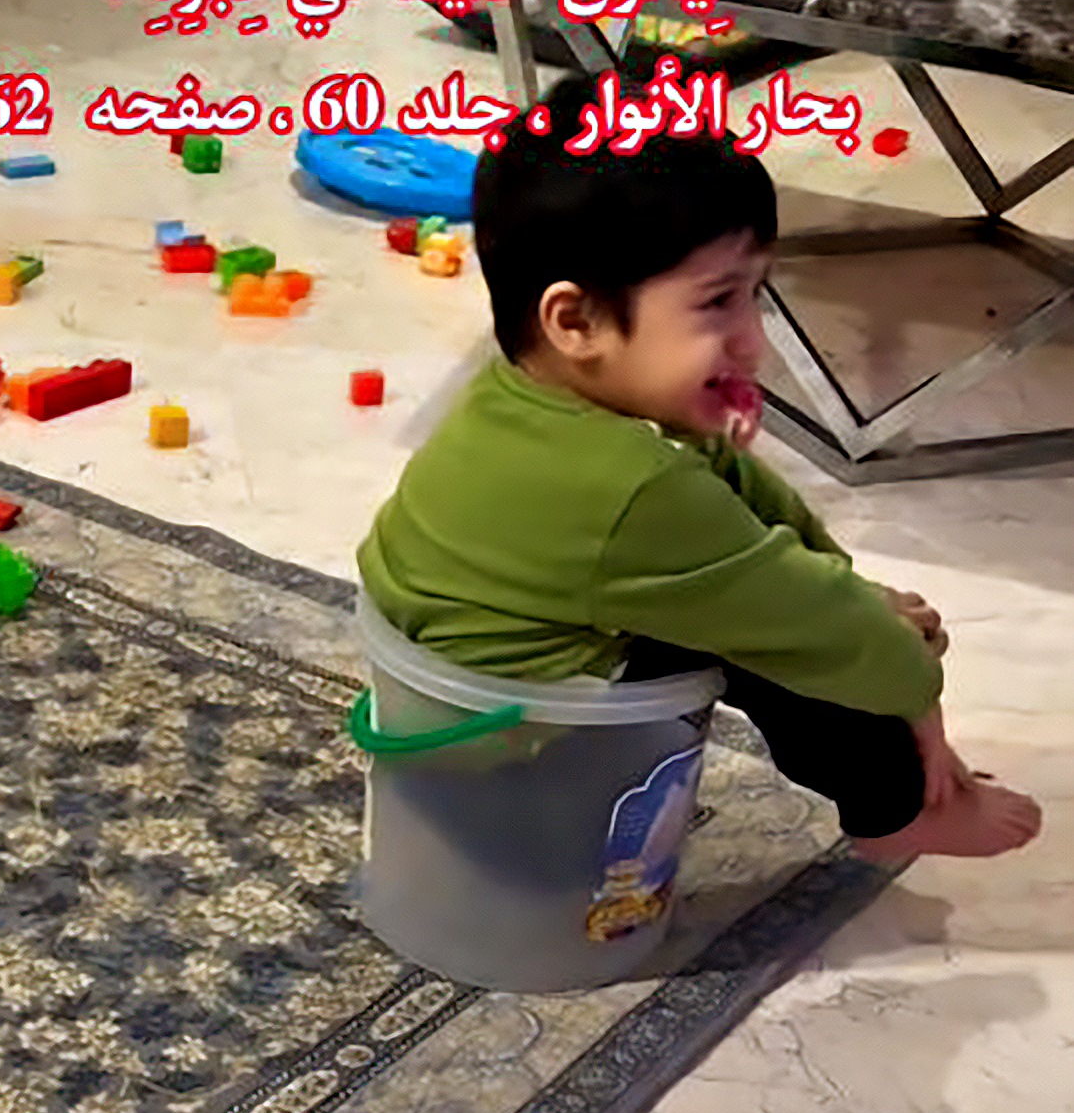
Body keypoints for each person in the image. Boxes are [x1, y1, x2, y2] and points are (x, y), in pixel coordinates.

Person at [358, 75, 1041, 865]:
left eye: (755, 296)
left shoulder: (535, 397)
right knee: (794, 650)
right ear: (576, 320)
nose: (754, 340)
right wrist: (918, 699)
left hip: (456, 683)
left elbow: (749, 506)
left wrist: (855, 590)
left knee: (793, 608)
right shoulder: (632, 489)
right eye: (718, 303)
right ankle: (898, 814)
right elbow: (808, 619)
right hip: (516, 747)